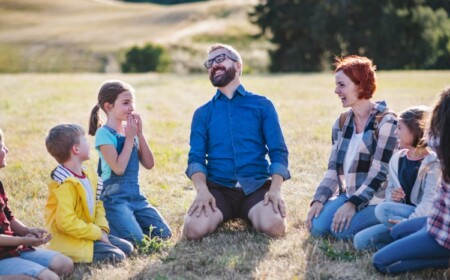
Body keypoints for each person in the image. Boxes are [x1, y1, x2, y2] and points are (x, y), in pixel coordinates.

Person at [182, 43, 290, 240]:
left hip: (256, 187)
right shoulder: (202, 113)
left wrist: (275, 190)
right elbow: (195, 158)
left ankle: (254, 212)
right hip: (218, 190)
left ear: (238, 66)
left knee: (274, 227)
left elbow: (278, 151)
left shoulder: (262, 105)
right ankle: (223, 211)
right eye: (210, 62)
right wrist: (202, 191)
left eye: (220, 59)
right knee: (192, 230)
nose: (214, 65)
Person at [305, 55, 398, 239]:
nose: (335, 91)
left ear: (361, 85)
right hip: (349, 193)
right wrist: (319, 199)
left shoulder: (386, 122)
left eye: (341, 85)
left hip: (377, 199)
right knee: (317, 227)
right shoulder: (341, 122)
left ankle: (389, 223)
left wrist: (352, 204)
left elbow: (380, 172)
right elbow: (333, 169)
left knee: (343, 232)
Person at [373, 87, 450, 274]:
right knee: (396, 231)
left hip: (442, 236)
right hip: (433, 222)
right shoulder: (439, 148)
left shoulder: (435, 157)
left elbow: (428, 136)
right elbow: (429, 136)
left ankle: (443, 259)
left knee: (382, 262)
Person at [89, 80, 171, 244]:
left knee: (164, 235)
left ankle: (127, 223)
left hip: (136, 196)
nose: (132, 108)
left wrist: (139, 135)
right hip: (114, 198)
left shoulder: (130, 133)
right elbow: (118, 169)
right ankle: (107, 226)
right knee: (137, 241)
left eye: (132, 103)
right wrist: (130, 138)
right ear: (108, 106)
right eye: (126, 103)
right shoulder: (103, 134)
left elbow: (149, 164)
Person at [353, 106, 440, 250]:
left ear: (416, 130)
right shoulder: (397, 159)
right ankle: (408, 243)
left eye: (399, 128)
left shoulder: (433, 164)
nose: (395, 132)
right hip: (400, 216)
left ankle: (413, 238)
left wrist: (406, 225)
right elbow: (390, 194)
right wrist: (393, 198)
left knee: (382, 210)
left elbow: (428, 204)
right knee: (360, 241)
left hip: (422, 219)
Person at [45, 124, 134, 263]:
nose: (89, 143)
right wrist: (97, 234)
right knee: (118, 256)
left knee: (128, 248)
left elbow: (98, 204)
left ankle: (100, 243)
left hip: (88, 234)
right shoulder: (64, 184)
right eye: (85, 140)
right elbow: (66, 222)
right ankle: (74, 255)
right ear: (76, 149)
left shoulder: (89, 174)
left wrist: (102, 230)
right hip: (70, 242)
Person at [0, 128, 74, 279]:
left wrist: (27, 230)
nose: (6, 149)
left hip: (12, 248)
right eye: (1, 145)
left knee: (65, 265)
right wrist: (22, 240)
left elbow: (8, 215)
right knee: (49, 278)